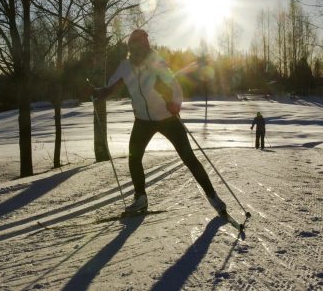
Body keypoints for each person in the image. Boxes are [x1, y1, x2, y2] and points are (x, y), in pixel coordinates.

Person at [88, 29, 226, 215]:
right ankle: (140, 199)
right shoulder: (125, 66)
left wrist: (175, 104)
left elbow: (175, 86)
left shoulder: (155, 63)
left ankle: (212, 196)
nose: (140, 51)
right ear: (131, 47)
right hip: (143, 120)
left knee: (188, 157)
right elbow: (112, 86)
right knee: (134, 158)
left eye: (144, 47)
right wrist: (100, 93)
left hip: (166, 118)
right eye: (136, 47)